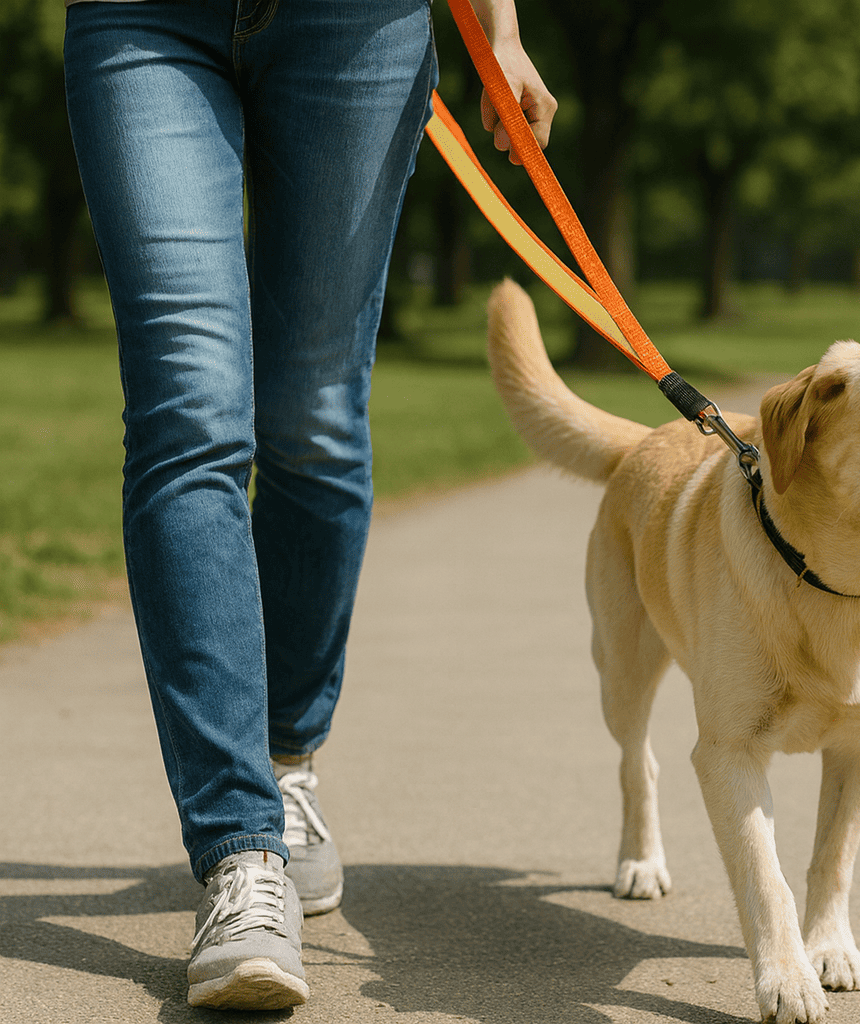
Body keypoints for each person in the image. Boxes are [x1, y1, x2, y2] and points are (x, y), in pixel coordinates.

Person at [62, 0, 555, 1009]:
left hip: (359, 25)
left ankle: (286, 761)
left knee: (314, 418)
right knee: (191, 410)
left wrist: (498, 28)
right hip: (141, 18)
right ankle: (241, 852)